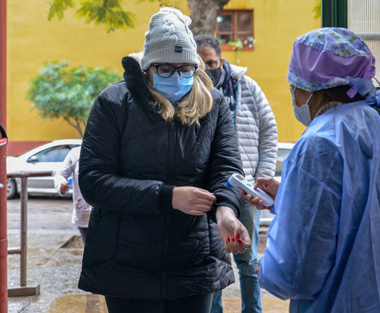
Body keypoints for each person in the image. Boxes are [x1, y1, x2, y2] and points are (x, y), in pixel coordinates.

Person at [244, 28, 380, 313]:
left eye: (294, 84)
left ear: (311, 88)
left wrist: (267, 269)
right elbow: (363, 208)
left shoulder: (320, 143)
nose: (293, 93)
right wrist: (288, 195)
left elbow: (298, 272)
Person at [77, 7, 251, 313]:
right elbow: (94, 181)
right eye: (166, 69)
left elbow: (226, 168)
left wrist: (226, 211)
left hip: (195, 261)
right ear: (146, 68)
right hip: (126, 265)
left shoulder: (214, 104)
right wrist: (166, 196)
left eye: (186, 69)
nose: (178, 76)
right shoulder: (113, 103)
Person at [194, 35, 278, 313]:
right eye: (201, 64)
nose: (207, 69)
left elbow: (268, 130)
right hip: (211, 193)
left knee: (248, 258)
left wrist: (263, 177)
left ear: (222, 60)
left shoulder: (247, 87)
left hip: (247, 192)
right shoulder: (193, 92)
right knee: (215, 261)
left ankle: (252, 310)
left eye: (212, 63)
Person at [53, 146, 91, 244]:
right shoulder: (76, 153)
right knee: (90, 252)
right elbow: (60, 174)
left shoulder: (109, 150)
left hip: (108, 214)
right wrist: (61, 184)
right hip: (85, 214)